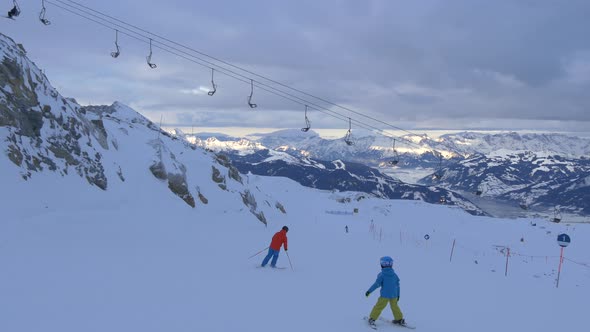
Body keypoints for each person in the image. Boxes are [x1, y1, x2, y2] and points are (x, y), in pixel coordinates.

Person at [365, 256, 405, 327]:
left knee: (379, 306)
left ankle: (372, 319)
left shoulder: (382, 275)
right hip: (394, 295)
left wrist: (369, 291)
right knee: (395, 306)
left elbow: (376, 285)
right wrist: (398, 295)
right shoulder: (394, 275)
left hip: (385, 296)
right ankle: (399, 319)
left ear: (382, 265)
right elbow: (397, 286)